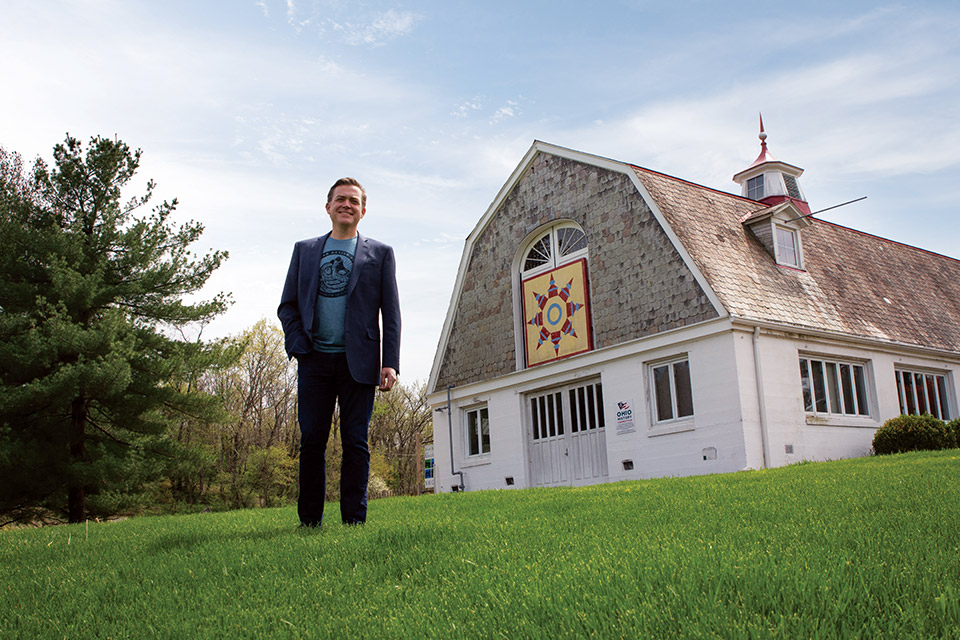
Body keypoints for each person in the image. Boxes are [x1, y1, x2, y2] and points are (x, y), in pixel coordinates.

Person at [278, 177, 400, 527]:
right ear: (328, 206)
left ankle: (354, 521)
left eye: (353, 201)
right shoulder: (305, 250)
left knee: (355, 442)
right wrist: (298, 345)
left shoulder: (380, 253)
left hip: (359, 363)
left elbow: (390, 312)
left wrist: (389, 362)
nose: (346, 205)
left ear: (363, 210)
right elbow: (287, 306)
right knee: (312, 440)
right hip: (314, 360)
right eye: (340, 200)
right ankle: (309, 522)